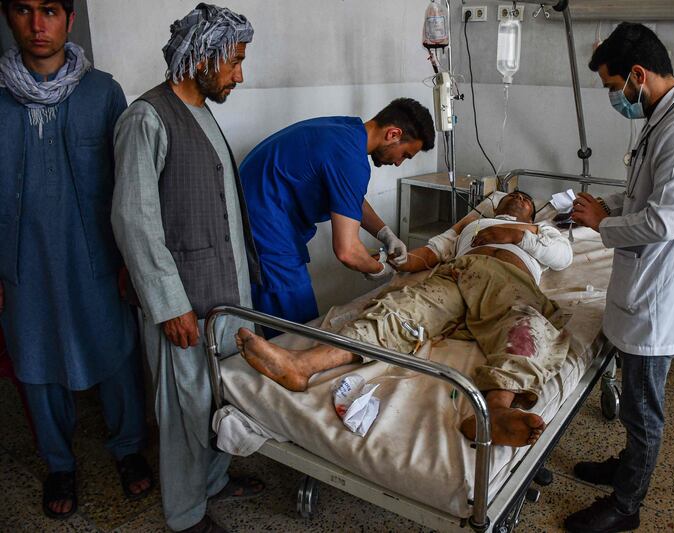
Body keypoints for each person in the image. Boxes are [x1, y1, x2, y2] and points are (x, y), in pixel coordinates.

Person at [236, 191, 574, 447]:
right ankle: (303, 365)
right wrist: (391, 260)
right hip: (458, 273)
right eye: (511, 196)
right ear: (496, 207)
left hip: (510, 284)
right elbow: (429, 254)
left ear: (532, 211)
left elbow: (561, 258)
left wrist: (517, 234)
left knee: (527, 334)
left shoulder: (543, 231)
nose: (516, 198)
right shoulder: (474, 224)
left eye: (524, 198)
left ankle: (495, 411)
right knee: (400, 310)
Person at [111, 4, 265, 532]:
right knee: (182, 409)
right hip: (184, 302)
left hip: (223, 295)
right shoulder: (146, 118)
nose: (239, 74)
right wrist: (169, 304)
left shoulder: (201, 110)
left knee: (220, 396)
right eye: (234, 62)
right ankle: (184, 513)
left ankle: (215, 481)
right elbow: (134, 218)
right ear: (202, 56)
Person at [566, 22, 674, 533]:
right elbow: (644, 197)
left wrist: (600, 223)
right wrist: (603, 205)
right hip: (644, 277)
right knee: (636, 398)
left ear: (637, 74)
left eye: (615, 88)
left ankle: (626, 506)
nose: (617, 98)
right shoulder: (664, 120)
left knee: (645, 406)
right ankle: (625, 467)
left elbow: (663, 221)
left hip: (661, 287)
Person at [0, 0, 152, 520]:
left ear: (68, 18)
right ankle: (59, 463)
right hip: (21, 265)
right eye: (23, 10)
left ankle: (129, 450)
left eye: (49, 10)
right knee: (36, 363)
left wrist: (132, 259)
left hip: (95, 260)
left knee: (114, 351)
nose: (37, 24)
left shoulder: (102, 92)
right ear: (7, 16)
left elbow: (131, 185)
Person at [238, 98, 435, 336]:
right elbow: (347, 252)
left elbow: (348, 196)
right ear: (393, 134)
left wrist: (385, 233)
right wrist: (382, 269)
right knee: (296, 335)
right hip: (266, 233)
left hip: (256, 220)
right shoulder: (350, 158)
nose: (398, 162)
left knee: (283, 324)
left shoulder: (347, 132)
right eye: (405, 154)